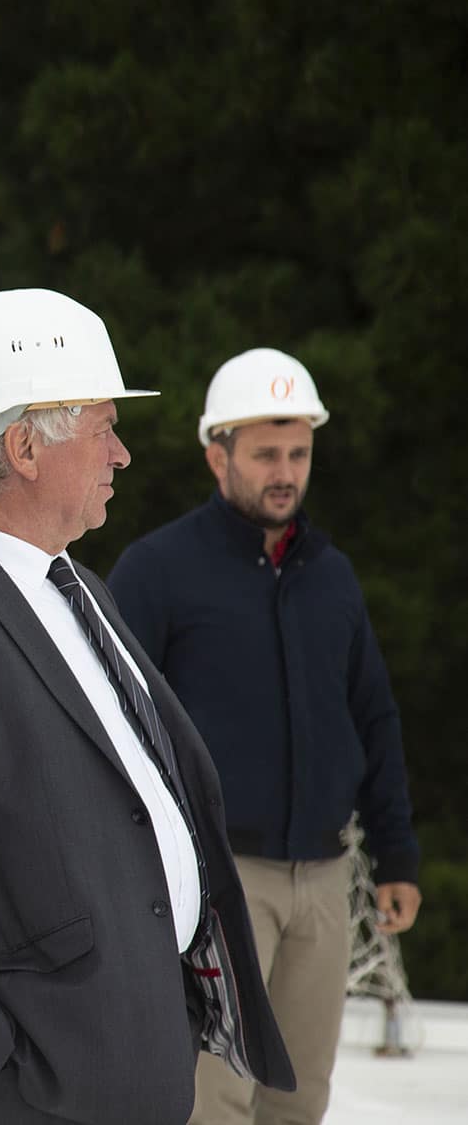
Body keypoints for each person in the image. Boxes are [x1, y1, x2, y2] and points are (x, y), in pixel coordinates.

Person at [0, 289, 295, 1124]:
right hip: (43, 1087)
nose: (121, 455)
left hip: (146, 1057)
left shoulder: (81, 586)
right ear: (22, 445)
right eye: (102, 429)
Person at [109, 347, 421, 1125]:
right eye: (265, 454)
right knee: (214, 1104)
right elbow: (109, 729)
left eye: (299, 453)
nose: (285, 471)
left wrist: (398, 855)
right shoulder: (156, 571)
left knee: (298, 1101)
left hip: (322, 881)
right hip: (216, 882)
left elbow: (373, 716)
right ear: (218, 455)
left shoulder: (332, 575)